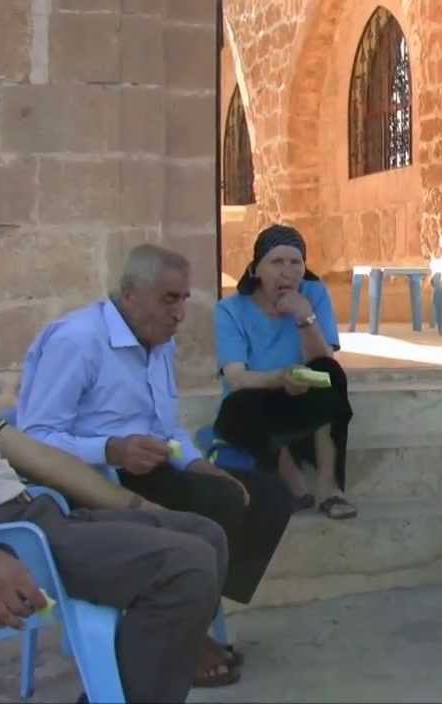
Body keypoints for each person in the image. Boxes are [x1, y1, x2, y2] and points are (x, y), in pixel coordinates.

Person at [15, 243, 295, 666]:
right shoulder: (77, 340)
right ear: (130, 294)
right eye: (169, 299)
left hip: (150, 471)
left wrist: (200, 464)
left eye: (184, 299)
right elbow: (32, 440)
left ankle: (188, 612)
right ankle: (182, 633)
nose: (180, 313)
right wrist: (110, 449)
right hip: (92, 483)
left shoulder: (159, 342)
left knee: (265, 495)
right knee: (214, 506)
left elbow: (168, 429)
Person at [0, 410, 233, 698]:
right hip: (5, 537)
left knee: (205, 534)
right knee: (186, 568)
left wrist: (138, 506)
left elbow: (39, 458)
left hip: (36, 512)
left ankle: (126, 684)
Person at [212, 224, 357, 520]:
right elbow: (236, 377)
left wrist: (304, 316)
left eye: (296, 263)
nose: (287, 271)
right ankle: (295, 485)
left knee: (332, 373)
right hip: (259, 398)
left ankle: (330, 488)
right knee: (237, 407)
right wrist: (279, 379)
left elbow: (323, 360)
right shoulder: (230, 310)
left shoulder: (313, 294)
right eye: (276, 262)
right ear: (256, 269)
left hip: (304, 397)